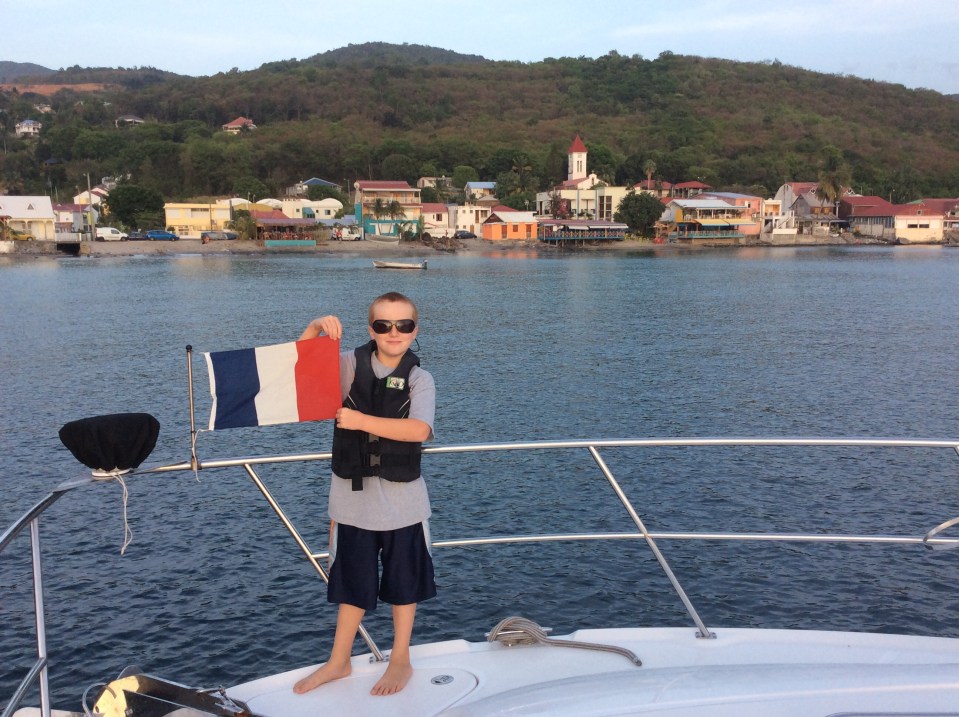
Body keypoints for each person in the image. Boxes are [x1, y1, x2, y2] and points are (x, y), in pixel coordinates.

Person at [293, 291, 436, 697]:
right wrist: (315, 328)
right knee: (352, 584)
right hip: (351, 504)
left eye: (404, 325)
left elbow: (419, 430)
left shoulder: (420, 379)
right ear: (370, 330)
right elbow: (302, 377)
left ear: (415, 330)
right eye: (383, 325)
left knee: (404, 584)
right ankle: (338, 660)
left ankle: (400, 658)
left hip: (403, 505)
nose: (394, 332)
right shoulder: (347, 366)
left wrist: (359, 420)